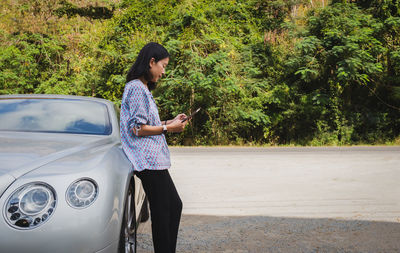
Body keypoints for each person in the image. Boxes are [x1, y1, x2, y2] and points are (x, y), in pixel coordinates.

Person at [120, 42, 187, 253]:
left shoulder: (142, 88)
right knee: (165, 210)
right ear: (151, 62)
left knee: (172, 207)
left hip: (152, 160)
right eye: (163, 66)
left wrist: (171, 122)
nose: (164, 72)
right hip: (146, 161)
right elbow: (137, 129)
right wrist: (168, 129)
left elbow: (148, 123)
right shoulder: (137, 88)